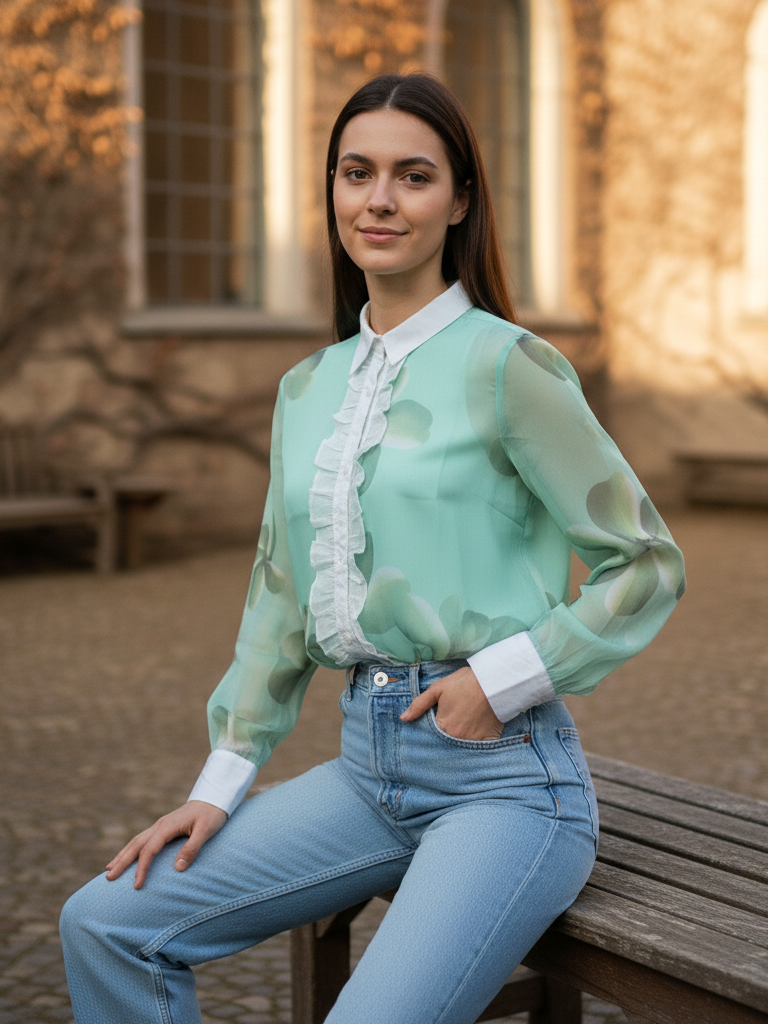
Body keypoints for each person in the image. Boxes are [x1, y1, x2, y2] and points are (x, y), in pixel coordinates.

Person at [60, 73, 686, 1024]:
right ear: (334, 191)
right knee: (104, 921)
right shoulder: (306, 387)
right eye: (357, 173)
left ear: (460, 200)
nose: (380, 199)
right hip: (364, 771)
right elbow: (279, 591)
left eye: (413, 176)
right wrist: (221, 783)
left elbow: (644, 564)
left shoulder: (509, 364)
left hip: (507, 784)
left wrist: (501, 679)